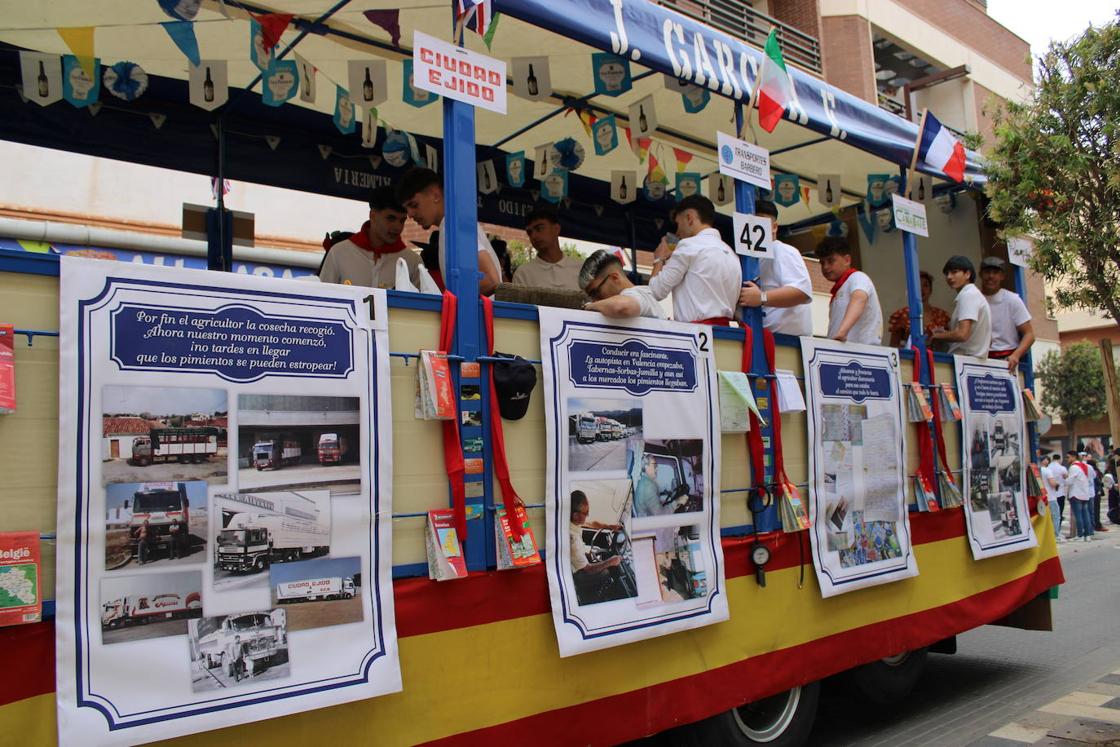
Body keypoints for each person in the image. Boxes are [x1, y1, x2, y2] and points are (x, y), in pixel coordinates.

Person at [396, 168, 502, 295]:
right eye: (407, 208)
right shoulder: (451, 224)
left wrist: (449, 302)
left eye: (414, 205)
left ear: (435, 195)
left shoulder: (452, 225)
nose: (410, 214)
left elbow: (490, 280)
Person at [647, 195, 742, 325]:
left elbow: (655, 292)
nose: (678, 232)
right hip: (725, 335)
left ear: (689, 218)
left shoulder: (688, 246)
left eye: (678, 223)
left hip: (695, 334)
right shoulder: (732, 254)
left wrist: (659, 259)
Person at [319, 187, 421, 289]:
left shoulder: (412, 261)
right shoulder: (339, 253)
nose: (398, 227)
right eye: (391, 218)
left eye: (402, 220)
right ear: (373, 216)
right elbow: (322, 299)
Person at [737, 200, 813, 336]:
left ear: (774, 227)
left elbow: (802, 291)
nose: (755, 228)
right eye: (752, 223)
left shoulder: (782, 250)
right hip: (767, 339)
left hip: (788, 342)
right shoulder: (754, 260)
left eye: (761, 223)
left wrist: (762, 297)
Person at [815, 236, 883, 345]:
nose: (826, 267)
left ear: (847, 260)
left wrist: (841, 333)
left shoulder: (857, 277)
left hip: (861, 353)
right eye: (822, 263)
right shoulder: (840, 288)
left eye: (831, 261)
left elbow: (859, 298)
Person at [978, 257, 1035, 371]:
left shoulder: (1012, 299)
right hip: (980, 359)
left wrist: (1016, 355)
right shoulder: (975, 299)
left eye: (995, 272)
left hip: (1007, 360)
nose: (991, 276)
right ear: (981, 274)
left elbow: (1029, 335)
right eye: (987, 272)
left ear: (1002, 276)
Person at [928, 256, 991, 357]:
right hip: (972, 361)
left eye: (954, 272)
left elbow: (962, 334)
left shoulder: (968, 295)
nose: (949, 277)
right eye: (947, 273)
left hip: (966, 361)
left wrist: (937, 336)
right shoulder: (973, 294)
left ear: (967, 274)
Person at [579, 250, 667, 320]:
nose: (595, 300)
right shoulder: (645, 295)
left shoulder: (636, 294)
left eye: (595, 292)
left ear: (614, 278)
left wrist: (589, 306)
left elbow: (622, 307)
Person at [569, 490, 623, 604]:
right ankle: (595, 599)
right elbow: (588, 569)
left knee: (600, 554)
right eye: (586, 512)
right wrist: (611, 561)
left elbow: (591, 524)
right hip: (577, 576)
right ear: (575, 515)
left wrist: (609, 526)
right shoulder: (572, 540)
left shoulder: (572, 521)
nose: (588, 515)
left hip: (577, 561)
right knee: (607, 572)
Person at [513, 206, 583, 290]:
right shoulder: (523, 273)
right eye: (529, 232)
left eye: (539, 228)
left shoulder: (580, 268)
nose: (534, 236)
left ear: (556, 229)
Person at [887, 270, 951, 348]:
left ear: (931, 290)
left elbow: (948, 343)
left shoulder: (941, 315)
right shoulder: (902, 314)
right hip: (912, 358)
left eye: (925, 285)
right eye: (918, 285)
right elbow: (893, 345)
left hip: (936, 359)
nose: (921, 289)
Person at [1065, 450, 1095, 541]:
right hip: (1085, 493)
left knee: (1078, 515)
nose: (1067, 459)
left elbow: (1069, 481)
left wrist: (1064, 480)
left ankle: (1080, 536)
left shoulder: (1074, 467)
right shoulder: (1086, 466)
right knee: (1086, 515)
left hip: (1076, 493)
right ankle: (1088, 535)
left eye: (1068, 457)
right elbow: (1092, 477)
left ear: (1074, 457)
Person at [1043, 452, 1068, 541]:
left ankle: (1050, 533)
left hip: (1045, 496)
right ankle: (1056, 532)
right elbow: (1065, 478)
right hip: (1057, 494)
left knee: (1048, 515)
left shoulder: (1046, 468)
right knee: (1058, 514)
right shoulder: (1061, 468)